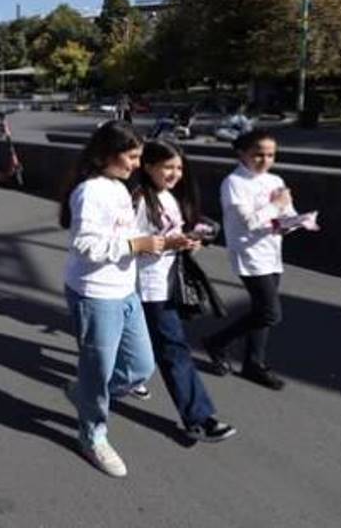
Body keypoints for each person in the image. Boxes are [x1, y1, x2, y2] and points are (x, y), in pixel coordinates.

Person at [59, 121, 161, 478]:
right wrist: (136, 245)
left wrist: (157, 244)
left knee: (140, 367)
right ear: (107, 154)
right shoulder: (90, 191)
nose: (137, 164)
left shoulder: (119, 188)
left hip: (124, 287)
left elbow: (125, 236)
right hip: (94, 294)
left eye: (139, 157)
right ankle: (92, 435)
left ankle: (84, 392)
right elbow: (84, 245)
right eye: (131, 156)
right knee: (98, 371)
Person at [131, 139, 237, 442]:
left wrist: (191, 240)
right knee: (173, 348)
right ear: (148, 166)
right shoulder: (140, 200)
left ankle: (126, 377)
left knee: (152, 342)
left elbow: (169, 237)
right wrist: (170, 243)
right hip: (148, 285)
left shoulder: (169, 197)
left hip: (169, 281)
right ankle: (199, 418)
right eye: (168, 166)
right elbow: (130, 247)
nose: (175, 173)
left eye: (179, 167)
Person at [204, 129, 297, 391]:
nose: (265, 160)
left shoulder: (275, 179)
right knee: (270, 313)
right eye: (258, 155)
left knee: (261, 312)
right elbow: (249, 221)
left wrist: (293, 223)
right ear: (242, 154)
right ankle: (217, 342)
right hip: (249, 254)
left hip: (272, 251)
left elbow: (286, 213)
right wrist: (277, 206)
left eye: (271, 155)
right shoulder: (234, 183)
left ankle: (254, 363)